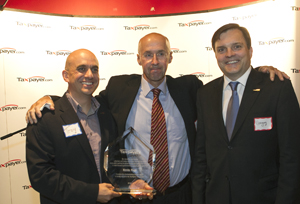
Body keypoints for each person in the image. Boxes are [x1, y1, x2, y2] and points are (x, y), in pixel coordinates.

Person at [25, 33, 288, 204]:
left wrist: (260, 74)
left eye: (161, 53)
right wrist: (51, 99)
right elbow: (82, 98)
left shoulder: (191, 89)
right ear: (138, 58)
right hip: (133, 196)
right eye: (148, 54)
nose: (154, 61)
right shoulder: (118, 89)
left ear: (170, 57)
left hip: (181, 195)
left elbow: (229, 84)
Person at [191, 23, 300, 204]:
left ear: (250, 50)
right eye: (221, 49)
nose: (229, 54)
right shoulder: (205, 94)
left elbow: (292, 157)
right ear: (216, 55)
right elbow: (201, 156)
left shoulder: (277, 88)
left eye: (237, 46)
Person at [26, 49, 122, 204]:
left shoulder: (107, 112)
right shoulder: (45, 118)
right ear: (66, 75)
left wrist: (130, 182)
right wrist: (92, 193)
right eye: (81, 69)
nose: (90, 75)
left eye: (95, 69)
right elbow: (41, 176)